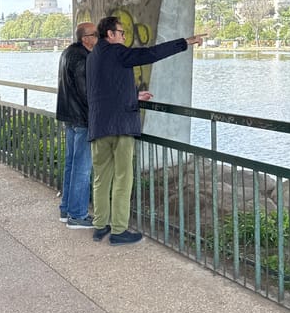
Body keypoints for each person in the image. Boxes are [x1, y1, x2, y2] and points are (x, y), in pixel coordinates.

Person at [86, 16, 203, 245]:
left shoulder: (93, 57)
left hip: (99, 125)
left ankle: (100, 226)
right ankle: (119, 230)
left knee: (101, 179)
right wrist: (185, 42)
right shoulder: (118, 51)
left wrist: (132, 95)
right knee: (123, 179)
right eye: (121, 33)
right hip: (120, 126)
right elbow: (151, 54)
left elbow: (106, 87)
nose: (124, 37)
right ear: (110, 34)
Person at [55, 21, 99, 228]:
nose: (99, 37)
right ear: (86, 39)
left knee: (72, 165)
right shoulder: (84, 58)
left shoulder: (67, 53)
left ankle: (66, 209)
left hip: (69, 117)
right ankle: (78, 215)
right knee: (82, 169)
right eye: (95, 34)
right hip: (83, 119)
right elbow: (86, 92)